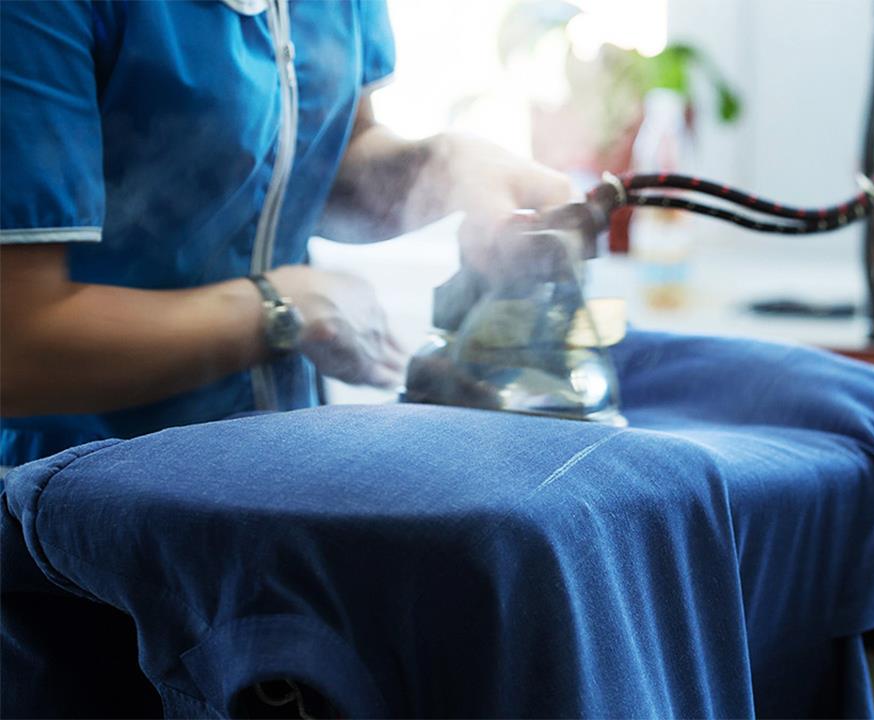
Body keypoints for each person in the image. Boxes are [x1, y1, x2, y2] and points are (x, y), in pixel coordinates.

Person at [0, 0, 574, 468]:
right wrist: (278, 311)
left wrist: (444, 168)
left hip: (277, 459)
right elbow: (15, 350)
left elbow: (321, 159)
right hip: (74, 489)